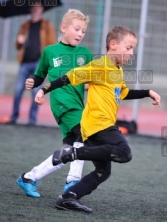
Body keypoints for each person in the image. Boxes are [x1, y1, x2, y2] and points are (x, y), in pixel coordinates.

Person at [33, 26, 161, 213]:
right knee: (124, 152)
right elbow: (70, 77)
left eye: (133, 48)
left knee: (103, 171)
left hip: (97, 127)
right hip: (98, 124)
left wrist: (148, 92)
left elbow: (123, 93)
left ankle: (68, 197)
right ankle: (71, 154)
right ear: (113, 44)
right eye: (128, 47)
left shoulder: (117, 70)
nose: (132, 53)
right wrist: (44, 89)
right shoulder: (100, 65)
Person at [16, 9, 92, 198]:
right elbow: (39, 75)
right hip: (61, 104)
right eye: (77, 29)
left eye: (83, 31)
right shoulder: (50, 51)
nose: (80, 34)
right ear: (63, 28)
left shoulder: (86, 53)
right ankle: (73, 182)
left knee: (68, 151)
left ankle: (28, 178)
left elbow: (90, 81)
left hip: (78, 105)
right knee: (84, 133)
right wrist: (33, 82)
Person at [7, 1, 56, 125]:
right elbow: (18, 45)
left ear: (42, 9)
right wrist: (19, 41)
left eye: (38, 6)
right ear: (31, 9)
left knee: (36, 91)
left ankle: (32, 120)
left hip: (38, 63)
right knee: (18, 90)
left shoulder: (46, 25)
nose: (36, 9)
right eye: (34, 6)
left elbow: (52, 44)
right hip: (24, 63)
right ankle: (14, 116)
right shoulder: (24, 26)